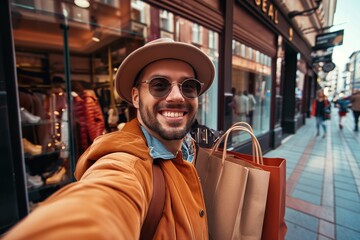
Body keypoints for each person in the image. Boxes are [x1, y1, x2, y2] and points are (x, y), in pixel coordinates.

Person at [3, 38, 215, 239]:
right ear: (135, 97)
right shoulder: (125, 165)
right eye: (159, 85)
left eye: (188, 86)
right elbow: (103, 201)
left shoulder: (187, 148)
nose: (177, 96)